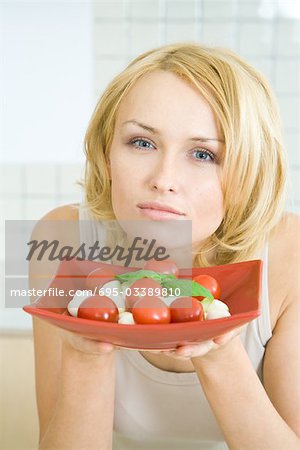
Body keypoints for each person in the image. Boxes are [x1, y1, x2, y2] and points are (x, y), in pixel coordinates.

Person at [29, 42, 300, 450]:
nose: (164, 178)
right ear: (106, 155)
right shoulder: (63, 238)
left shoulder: (288, 253)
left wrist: (218, 352)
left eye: (204, 154)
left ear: (248, 174)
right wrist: (86, 352)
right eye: (141, 143)